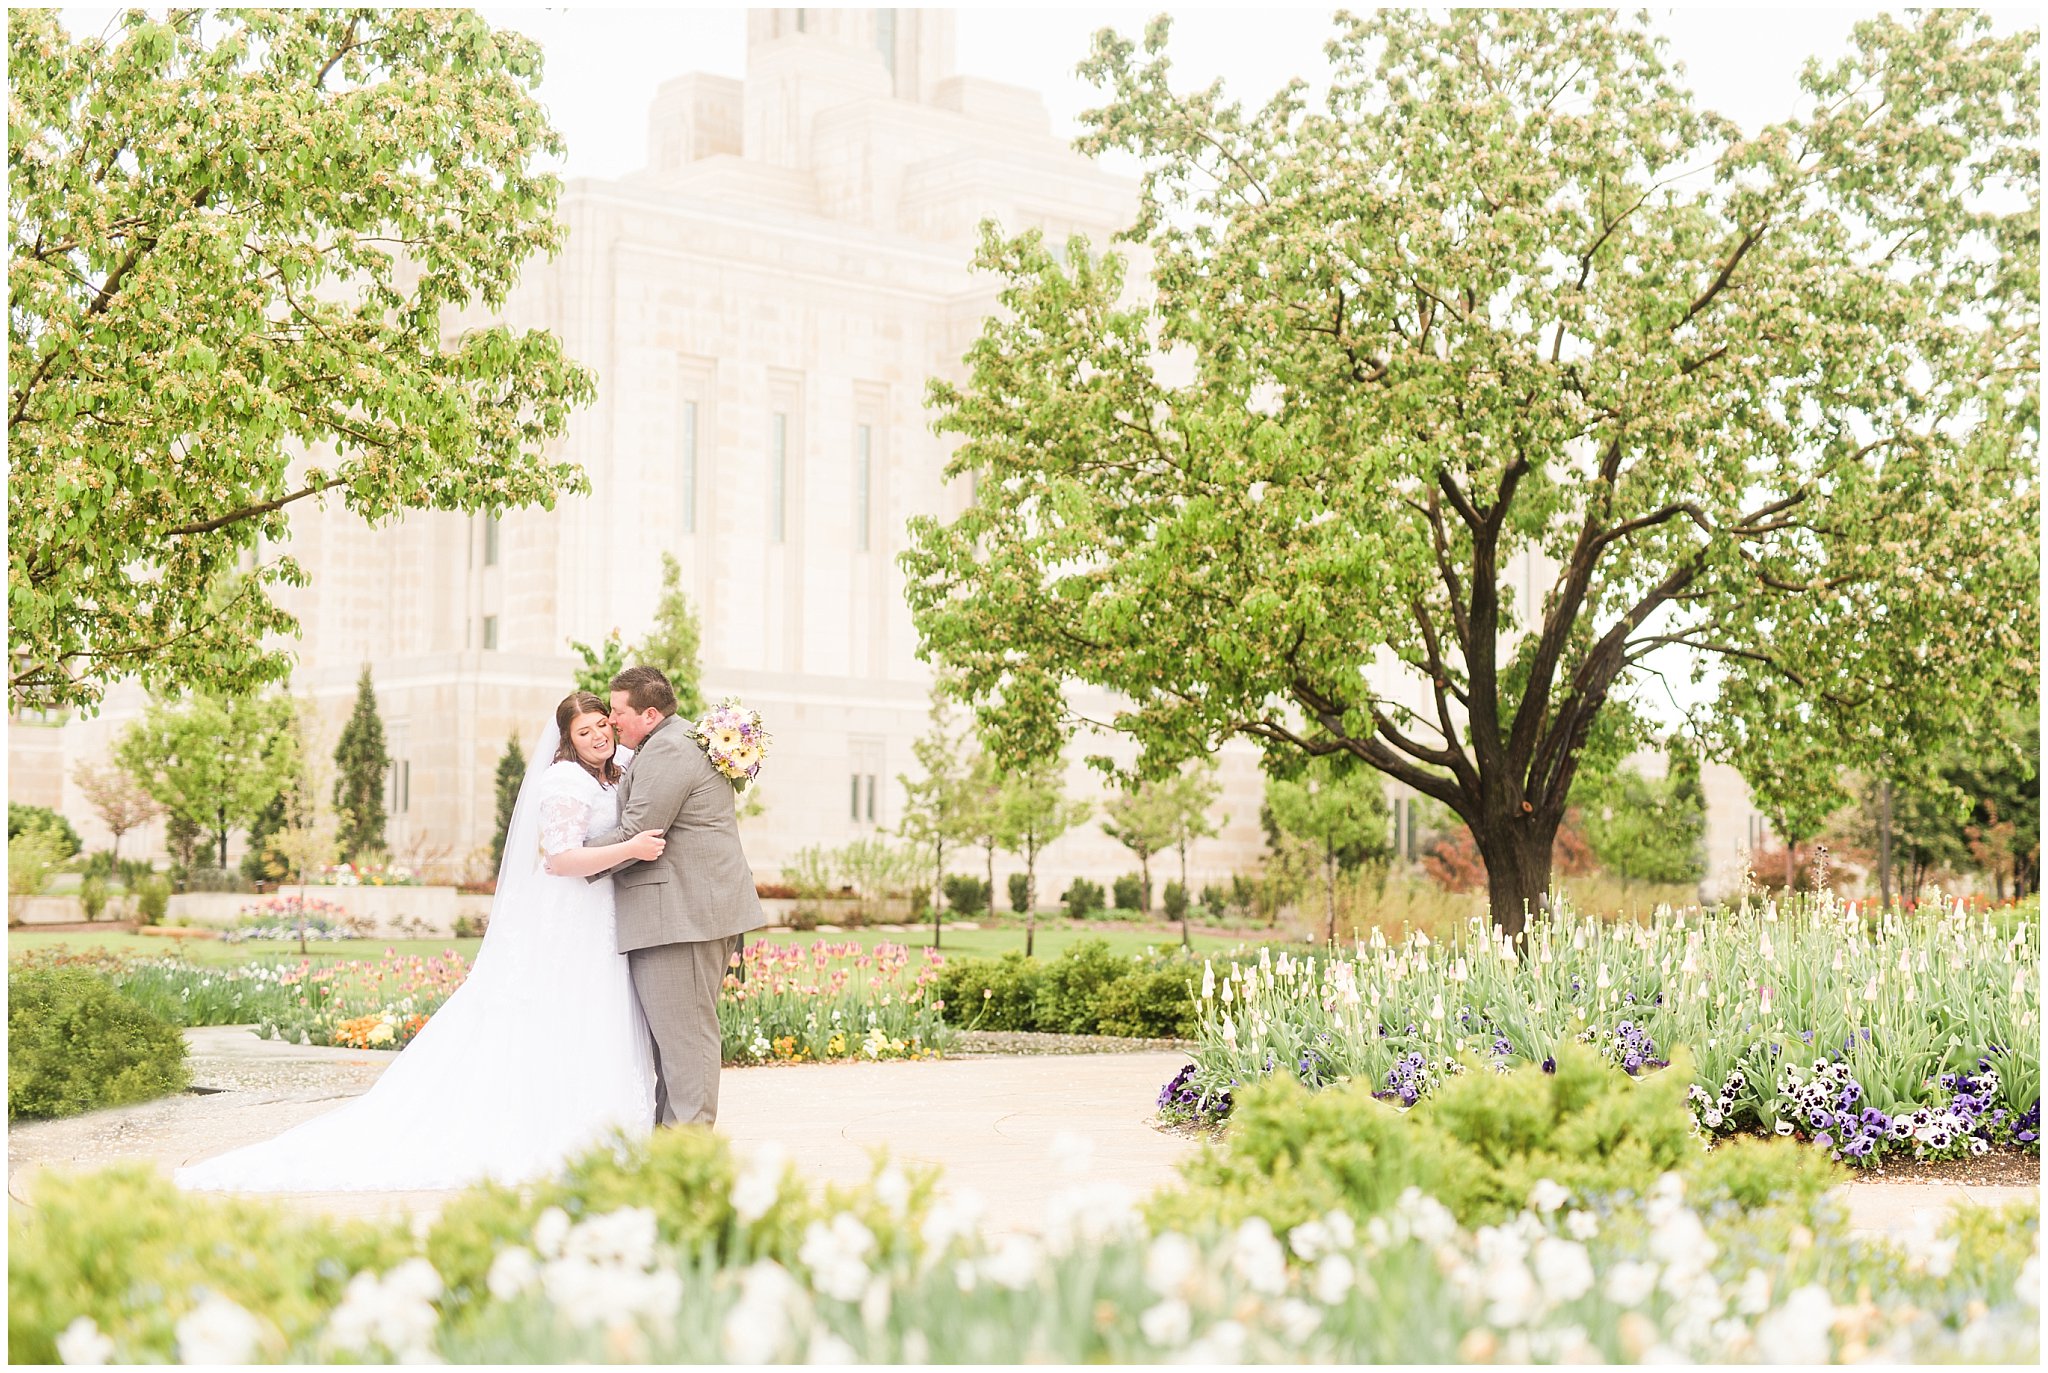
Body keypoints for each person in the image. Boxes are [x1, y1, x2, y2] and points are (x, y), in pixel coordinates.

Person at [174, 691, 666, 1192]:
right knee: (566, 1013)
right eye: (584, 732)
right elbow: (560, 859)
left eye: (602, 724)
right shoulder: (563, 780)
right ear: (567, 740)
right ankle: (567, 1131)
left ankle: (607, 1126)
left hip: (604, 912)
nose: (598, 736)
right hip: (572, 916)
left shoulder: (620, 765)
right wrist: (631, 848)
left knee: (599, 1012)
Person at [585, 665, 765, 1127]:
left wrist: (569, 858)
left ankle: (689, 1156)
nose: (611, 719)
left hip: (682, 919)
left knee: (686, 1042)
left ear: (649, 713)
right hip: (683, 916)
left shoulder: (668, 749)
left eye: (618, 711)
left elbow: (636, 831)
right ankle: (670, 1152)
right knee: (676, 1043)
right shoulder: (664, 744)